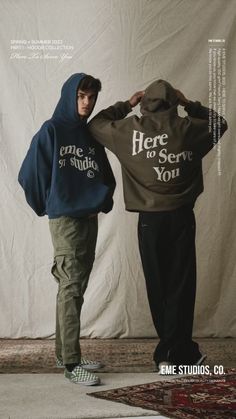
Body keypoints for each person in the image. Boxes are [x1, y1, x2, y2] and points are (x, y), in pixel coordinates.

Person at [88, 79, 228, 372]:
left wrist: (127, 104)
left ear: (145, 103)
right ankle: (178, 352)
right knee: (181, 284)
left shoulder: (128, 131)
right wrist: (189, 103)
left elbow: (97, 123)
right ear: (174, 102)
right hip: (180, 218)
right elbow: (220, 123)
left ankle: (169, 350)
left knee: (158, 284)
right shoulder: (189, 130)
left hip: (149, 222)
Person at [18, 73, 116, 385]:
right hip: (67, 223)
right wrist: (51, 205)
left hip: (88, 219)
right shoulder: (52, 130)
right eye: (81, 96)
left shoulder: (88, 134)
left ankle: (64, 352)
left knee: (74, 288)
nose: (86, 103)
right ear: (69, 96)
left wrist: (102, 198)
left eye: (91, 97)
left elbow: (104, 173)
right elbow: (28, 175)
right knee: (71, 287)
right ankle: (72, 365)